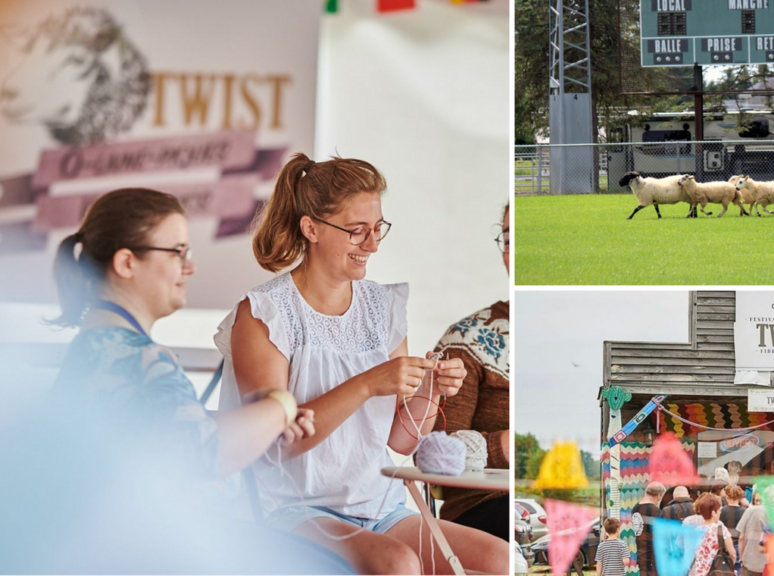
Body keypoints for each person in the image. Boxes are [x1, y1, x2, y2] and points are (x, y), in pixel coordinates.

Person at [216, 154, 507, 575]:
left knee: (499, 560)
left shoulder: (383, 307)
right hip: (290, 509)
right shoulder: (265, 314)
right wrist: (369, 384)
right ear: (311, 228)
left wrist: (431, 390)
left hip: (380, 507)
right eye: (357, 231)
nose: (371, 244)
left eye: (377, 229)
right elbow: (277, 442)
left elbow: (402, 441)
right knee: (398, 565)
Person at [43, 188, 350, 573]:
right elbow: (205, 453)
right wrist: (281, 404)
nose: (190, 267)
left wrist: (265, 421)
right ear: (126, 263)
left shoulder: (99, 348)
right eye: (177, 253)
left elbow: (167, 434)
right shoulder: (133, 356)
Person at [429, 203, 509, 540]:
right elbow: (436, 455)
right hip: (482, 506)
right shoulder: (465, 339)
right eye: (507, 238)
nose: (513, 251)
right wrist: (503, 446)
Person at [687, 493, 738, 576]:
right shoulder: (721, 530)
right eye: (719, 511)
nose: (720, 513)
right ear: (713, 512)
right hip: (717, 572)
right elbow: (732, 553)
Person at [632, 482, 666, 576]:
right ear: (658, 496)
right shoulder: (656, 512)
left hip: (641, 557)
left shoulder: (635, 509)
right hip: (653, 559)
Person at [735, 491, 768, 576]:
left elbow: (741, 538)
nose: (758, 503)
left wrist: (741, 559)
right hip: (767, 564)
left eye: (759, 500)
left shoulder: (749, 511)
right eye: (756, 501)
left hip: (749, 562)